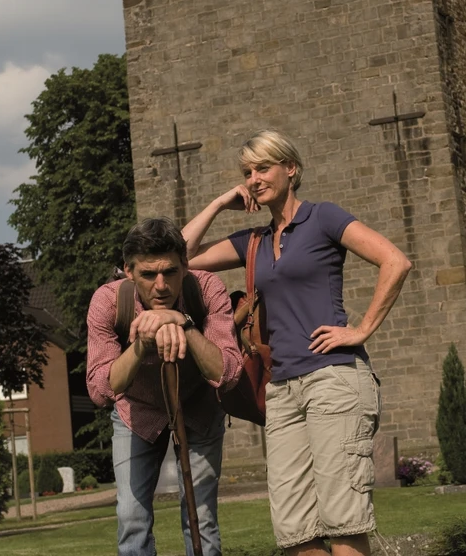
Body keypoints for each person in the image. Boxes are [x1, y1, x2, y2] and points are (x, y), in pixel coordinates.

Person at [184, 130, 412, 556]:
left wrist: (361, 330)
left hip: (334, 380)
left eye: (263, 167)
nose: (253, 179)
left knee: (344, 522)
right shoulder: (253, 241)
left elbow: (395, 261)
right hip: (282, 391)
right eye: (247, 172)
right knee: (295, 532)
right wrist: (218, 204)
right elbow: (175, 260)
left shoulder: (323, 217)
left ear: (291, 168)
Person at [86, 217, 243, 556]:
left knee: (200, 517)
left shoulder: (207, 289)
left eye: (170, 272)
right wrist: (141, 344)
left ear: (185, 264)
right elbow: (99, 390)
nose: (161, 285)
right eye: (148, 274)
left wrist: (184, 324)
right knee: (131, 518)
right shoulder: (108, 302)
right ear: (128, 271)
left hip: (199, 407)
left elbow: (229, 374)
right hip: (137, 411)